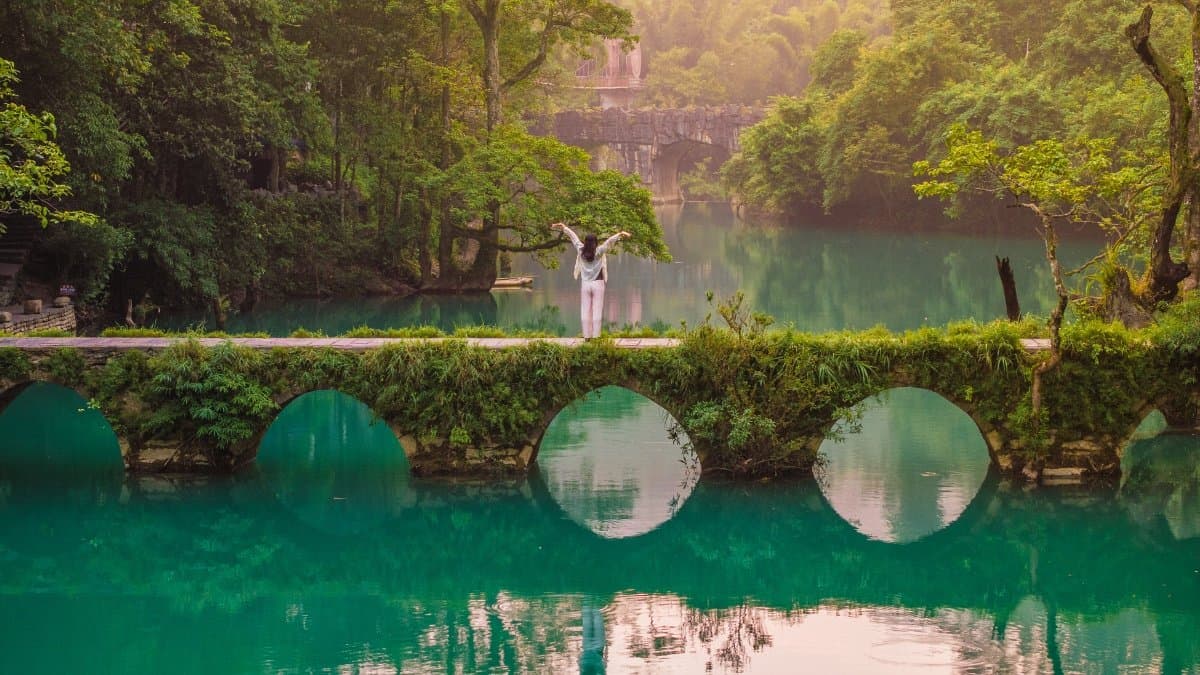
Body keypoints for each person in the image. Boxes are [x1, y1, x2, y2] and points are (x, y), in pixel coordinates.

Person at [551, 222, 630, 339]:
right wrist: (620, 234)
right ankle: (596, 337)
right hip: (598, 284)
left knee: (585, 310)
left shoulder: (580, 250)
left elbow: (574, 238)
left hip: (585, 284)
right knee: (597, 310)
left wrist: (563, 227)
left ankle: (587, 337)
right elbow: (609, 242)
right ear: (595, 242)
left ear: (585, 242)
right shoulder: (599, 251)